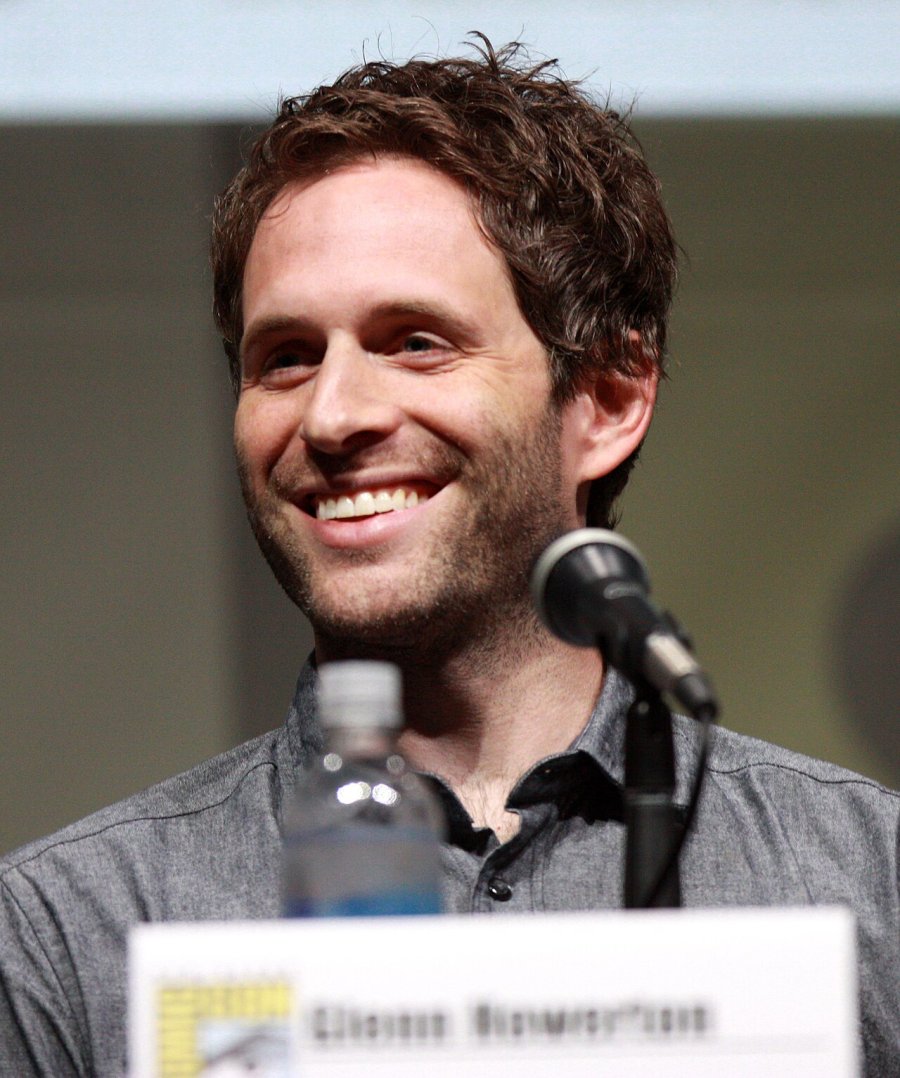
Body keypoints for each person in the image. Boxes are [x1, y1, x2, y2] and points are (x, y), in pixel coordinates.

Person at [1, 39, 897, 1077]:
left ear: (607, 400)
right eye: (285, 358)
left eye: (415, 341)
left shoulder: (867, 882)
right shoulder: (69, 935)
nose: (332, 415)